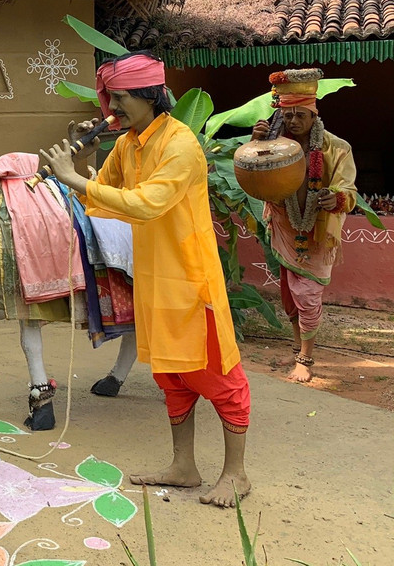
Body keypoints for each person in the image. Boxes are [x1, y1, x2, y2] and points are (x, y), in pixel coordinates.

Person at [39, 51, 251, 508]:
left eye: (120, 98)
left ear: (152, 96)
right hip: (154, 279)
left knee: (219, 375)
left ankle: (236, 474)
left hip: (192, 283)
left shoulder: (181, 145)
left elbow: (144, 203)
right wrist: (86, 157)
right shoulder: (128, 143)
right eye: (110, 98)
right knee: (173, 376)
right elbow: (106, 198)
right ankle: (185, 467)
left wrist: (73, 178)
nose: (111, 109)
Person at [250, 68, 357, 383]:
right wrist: (255, 144)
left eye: (300, 115)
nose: (293, 121)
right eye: (288, 115)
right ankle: (298, 348)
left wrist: (335, 199)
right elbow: (253, 178)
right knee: (289, 294)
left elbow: (348, 190)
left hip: (317, 233)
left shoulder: (337, 148)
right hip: (284, 227)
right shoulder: (273, 142)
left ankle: (306, 360)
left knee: (308, 294)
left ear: (313, 115)